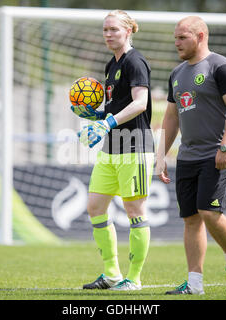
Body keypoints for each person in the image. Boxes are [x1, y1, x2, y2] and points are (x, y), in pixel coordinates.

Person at [155, 16, 226, 295]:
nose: (177, 42)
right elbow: (171, 118)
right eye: (175, 37)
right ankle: (194, 284)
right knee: (191, 218)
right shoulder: (176, 73)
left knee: (209, 212)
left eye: (182, 37)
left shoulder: (222, 67)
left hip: (217, 153)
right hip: (187, 157)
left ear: (201, 36)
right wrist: (161, 156)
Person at [71, 10, 154, 291]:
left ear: (128, 31)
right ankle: (112, 275)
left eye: (114, 30)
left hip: (135, 146)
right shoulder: (111, 64)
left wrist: (107, 121)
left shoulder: (136, 61)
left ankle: (135, 279)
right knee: (95, 207)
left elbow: (140, 103)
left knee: (135, 211)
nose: (108, 35)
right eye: (105, 30)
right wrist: (95, 115)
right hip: (111, 148)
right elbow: (116, 106)